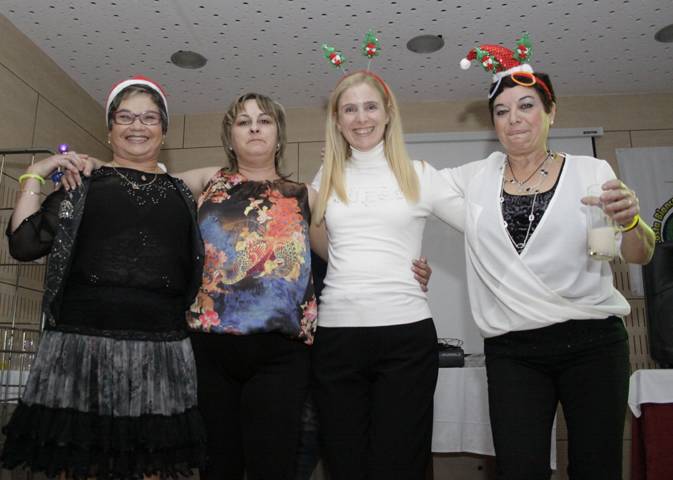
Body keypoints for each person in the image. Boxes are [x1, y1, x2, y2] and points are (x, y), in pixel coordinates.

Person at [448, 38, 655, 479]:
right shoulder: (476, 177)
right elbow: (411, 185)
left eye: (526, 106)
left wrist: (633, 222)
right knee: (519, 469)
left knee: (596, 467)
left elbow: (635, 253)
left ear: (551, 112)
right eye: (501, 111)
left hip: (593, 342)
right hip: (513, 351)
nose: (514, 118)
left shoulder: (590, 171)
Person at [0, 76, 206, 479]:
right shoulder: (80, 185)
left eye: (149, 118)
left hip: (161, 352)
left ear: (163, 131)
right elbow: (23, 244)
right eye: (125, 117)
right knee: (82, 466)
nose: (137, 126)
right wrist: (36, 173)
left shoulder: (183, 193)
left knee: (151, 466)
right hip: (80, 348)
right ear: (109, 129)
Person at [310, 70, 463, 480]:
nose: (361, 118)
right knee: (345, 465)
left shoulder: (421, 174)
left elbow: (482, 226)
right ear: (337, 120)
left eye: (370, 106)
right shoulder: (325, 178)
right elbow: (325, 249)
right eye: (350, 109)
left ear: (388, 112)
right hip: (337, 337)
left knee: (400, 465)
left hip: (406, 339)